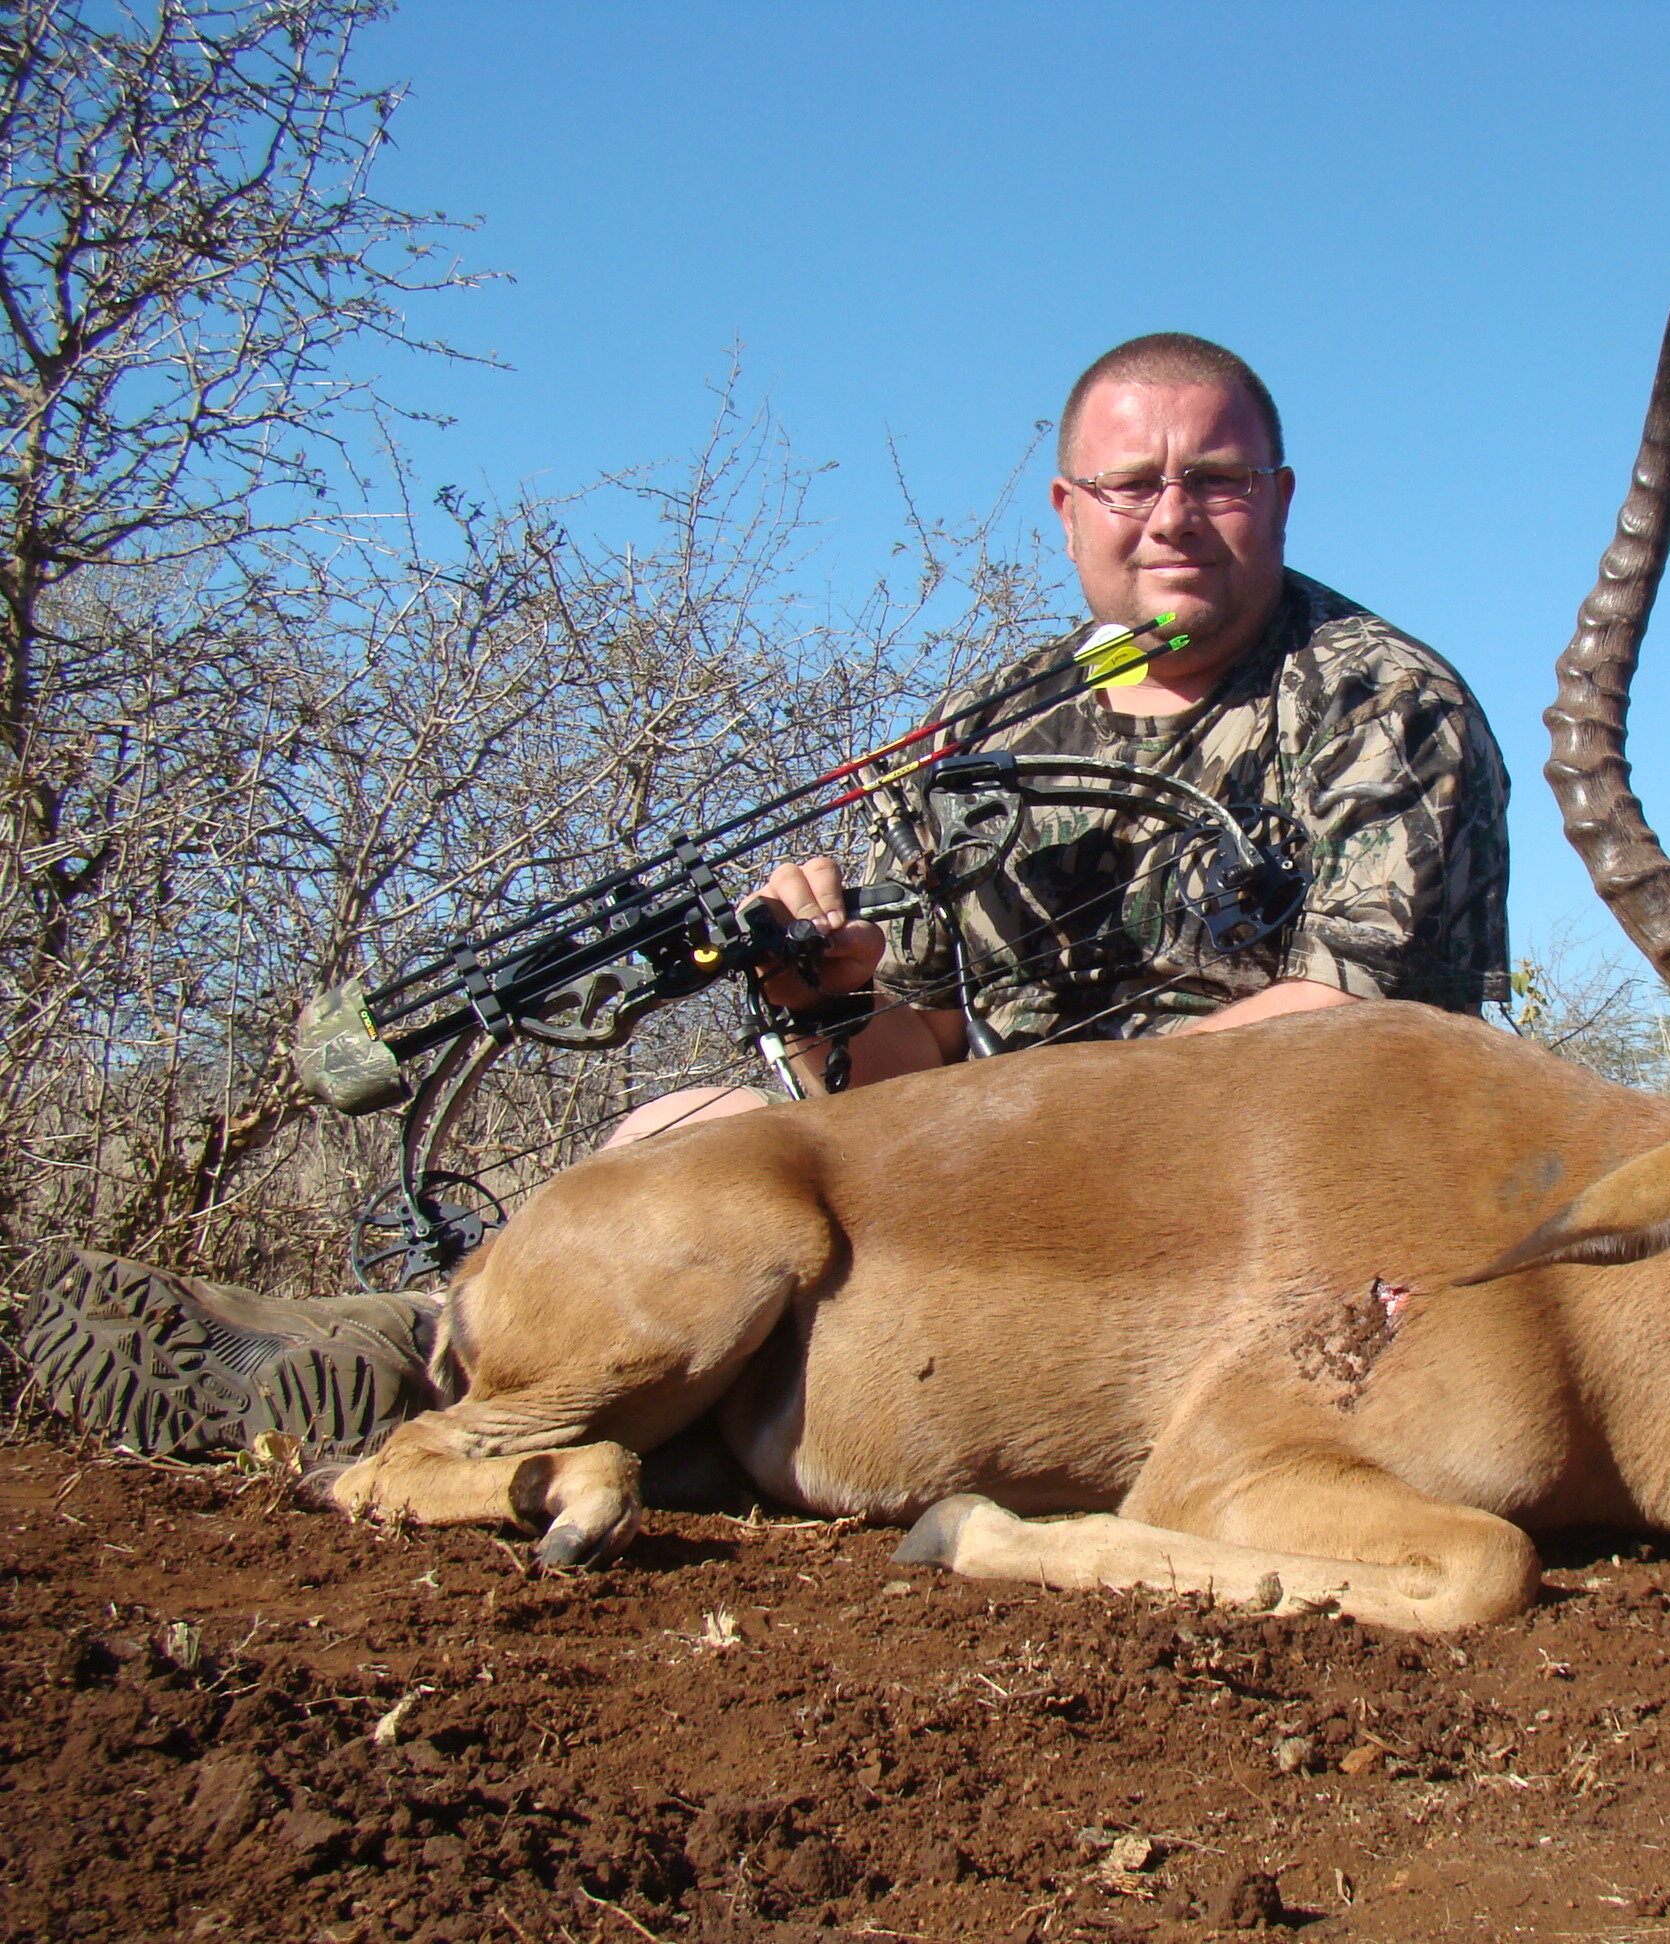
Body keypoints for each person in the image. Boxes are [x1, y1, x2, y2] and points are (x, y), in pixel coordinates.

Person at [18, 331, 1512, 1460]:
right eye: (1133, 483)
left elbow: (1345, 1046)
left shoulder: (1385, 704)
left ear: (1281, 497)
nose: (1172, 514)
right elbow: (906, 1058)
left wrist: (1027, 1112)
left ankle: (418, 1374)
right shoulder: (993, 725)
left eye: (1217, 478)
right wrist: (828, 1001)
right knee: (678, 1136)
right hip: (1016, 1171)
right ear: (1068, 509)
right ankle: (393, 1350)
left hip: (1291, 1212)